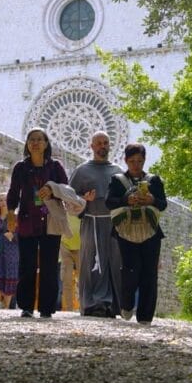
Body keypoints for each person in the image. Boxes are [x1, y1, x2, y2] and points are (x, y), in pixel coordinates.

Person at [6, 128, 69, 318]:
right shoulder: (21, 167)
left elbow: (66, 189)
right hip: (27, 221)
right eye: (31, 139)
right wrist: (10, 213)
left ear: (46, 144)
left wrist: (52, 190)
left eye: (39, 139)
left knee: (50, 266)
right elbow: (13, 192)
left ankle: (47, 308)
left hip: (50, 221)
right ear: (26, 143)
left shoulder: (55, 167)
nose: (35, 143)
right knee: (27, 265)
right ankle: (26, 306)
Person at [106, 143, 167, 325]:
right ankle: (126, 304)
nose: (136, 165)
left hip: (150, 231)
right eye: (132, 161)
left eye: (139, 161)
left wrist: (151, 200)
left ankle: (146, 316)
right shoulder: (117, 180)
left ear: (144, 160)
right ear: (125, 161)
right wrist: (126, 199)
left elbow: (163, 204)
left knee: (149, 272)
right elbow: (110, 202)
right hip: (125, 231)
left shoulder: (154, 180)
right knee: (130, 270)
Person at [69, 131, 125, 318]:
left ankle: (108, 304)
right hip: (91, 221)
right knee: (90, 261)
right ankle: (91, 303)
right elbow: (69, 198)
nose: (103, 146)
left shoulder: (117, 171)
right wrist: (83, 199)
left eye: (106, 143)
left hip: (112, 223)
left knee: (112, 262)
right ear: (91, 147)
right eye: (99, 143)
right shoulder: (82, 170)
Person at [59, 212, 82, 312]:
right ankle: (68, 309)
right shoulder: (64, 205)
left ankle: (83, 307)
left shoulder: (81, 205)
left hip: (81, 246)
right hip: (65, 245)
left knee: (83, 280)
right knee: (66, 278)